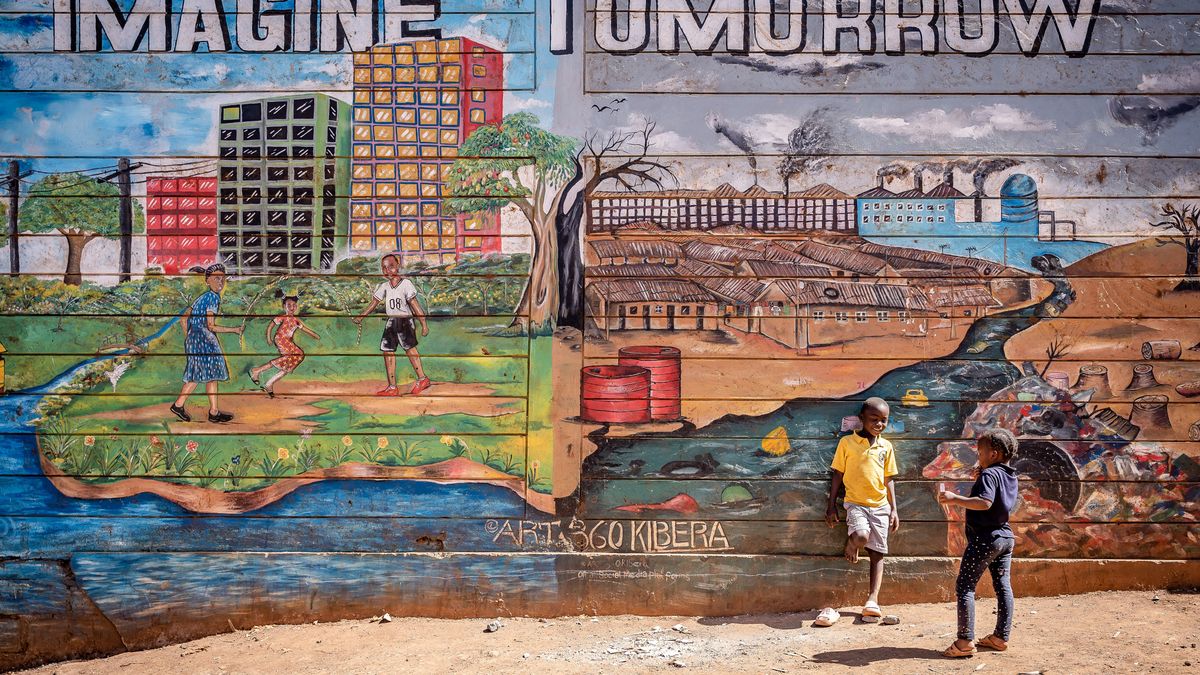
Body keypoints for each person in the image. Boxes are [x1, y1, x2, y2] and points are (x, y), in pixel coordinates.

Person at [938, 428, 1020, 658]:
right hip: (1005, 538)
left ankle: (964, 642)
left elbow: (984, 503)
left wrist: (956, 499)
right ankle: (1000, 637)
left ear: (993, 454)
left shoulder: (989, 475)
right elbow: (996, 498)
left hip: (986, 539)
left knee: (965, 587)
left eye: (980, 450)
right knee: (1003, 586)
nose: (977, 454)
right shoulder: (1009, 474)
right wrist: (983, 472)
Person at [825, 396, 899, 620]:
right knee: (861, 536)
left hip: (880, 506)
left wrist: (894, 509)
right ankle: (852, 544)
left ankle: (872, 599)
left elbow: (889, 479)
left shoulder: (886, 446)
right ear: (862, 419)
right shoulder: (847, 443)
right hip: (856, 503)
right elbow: (837, 474)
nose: (879, 424)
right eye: (874, 419)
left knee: (878, 554)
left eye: (883, 420)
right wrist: (831, 506)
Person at [171, 263, 243, 423]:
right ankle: (181, 405)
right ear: (207, 280)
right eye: (216, 278)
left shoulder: (201, 298)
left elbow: (184, 319)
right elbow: (211, 326)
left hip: (195, 340)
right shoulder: (212, 298)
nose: (220, 282)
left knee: (206, 375)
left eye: (222, 279)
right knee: (205, 375)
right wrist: (234, 330)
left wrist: (189, 337)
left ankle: (212, 411)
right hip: (205, 341)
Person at [352, 254, 430, 396]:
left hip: (405, 321)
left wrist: (423, 323)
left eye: (391, 266)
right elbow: (373, 304)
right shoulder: (384, 286)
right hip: (391, 322)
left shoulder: (406, 284)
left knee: (410, 349)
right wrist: (361, 316)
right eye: (384, 268)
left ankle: (423, 379)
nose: (387, 270)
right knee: (387, 351)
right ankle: (392, 387)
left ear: (398, 265)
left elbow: (415, 305)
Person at [249, 290, 320, 398]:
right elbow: (271, 326)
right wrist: (268, 337)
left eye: (294, 305)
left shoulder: (296, 321)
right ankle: (257, 370)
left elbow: (305, 329)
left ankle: (269, 383)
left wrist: (315, 335)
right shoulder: (282, 317)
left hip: (288, 342)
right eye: (289, 305)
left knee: (292, 361)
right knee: (294, 356)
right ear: (284, 307)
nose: (292, 307)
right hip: (281, 340)